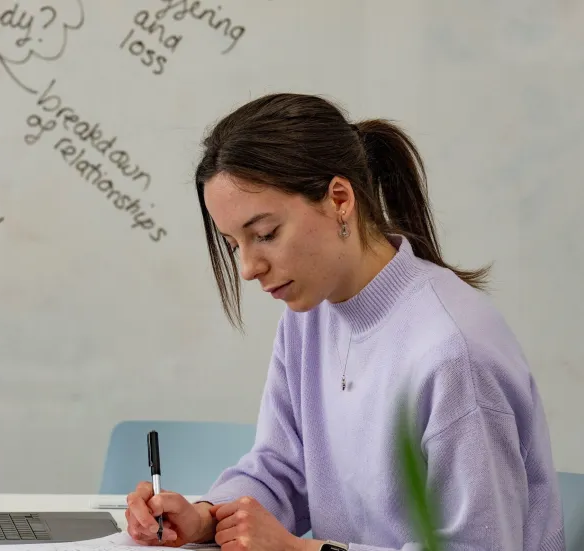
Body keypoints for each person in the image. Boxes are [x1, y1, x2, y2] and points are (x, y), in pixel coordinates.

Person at [124, 93, 566, 551]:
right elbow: (284, 467)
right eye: (235, 244)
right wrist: (205, 518)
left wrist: (300, 549)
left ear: (340, 199)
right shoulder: (309, 315)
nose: (249, 268)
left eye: (265, 235)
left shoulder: (454, 352)